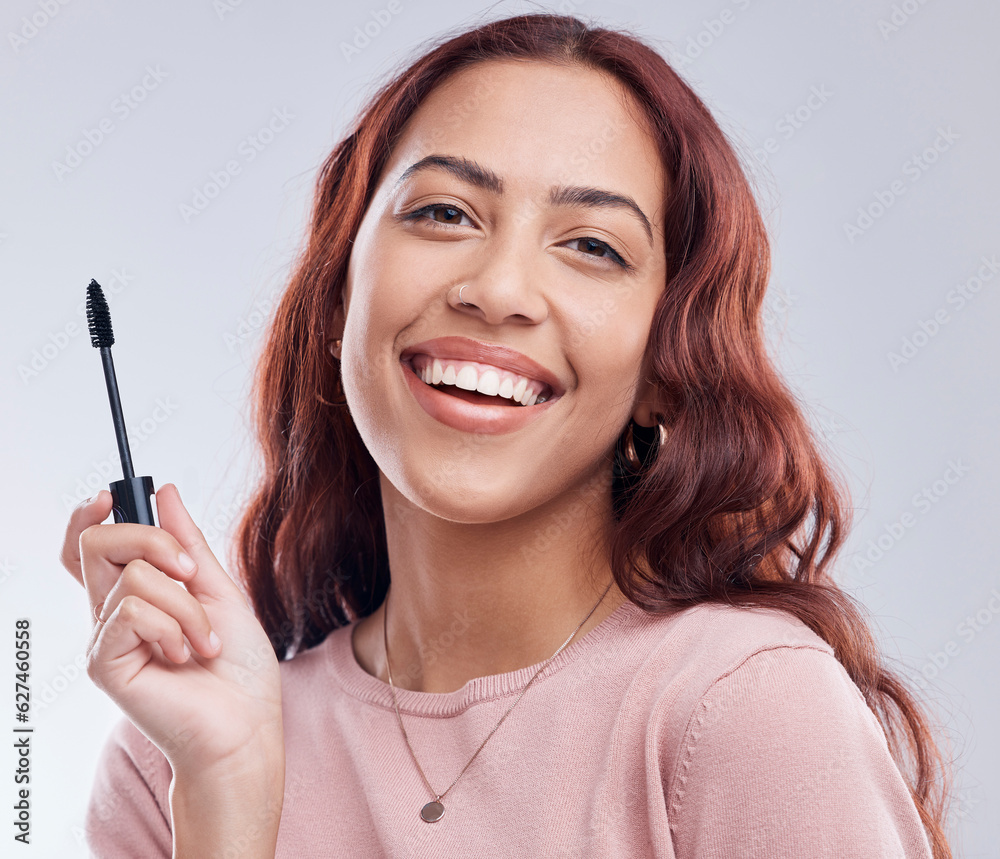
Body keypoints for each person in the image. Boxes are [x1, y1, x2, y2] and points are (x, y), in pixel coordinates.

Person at [62, 12, 953, 858]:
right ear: (340, 299)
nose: (497, 289)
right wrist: (226, 793)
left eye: (593, 245)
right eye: (444, 213)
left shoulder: (745, 709)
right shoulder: (170, 762)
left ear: (661, 372)